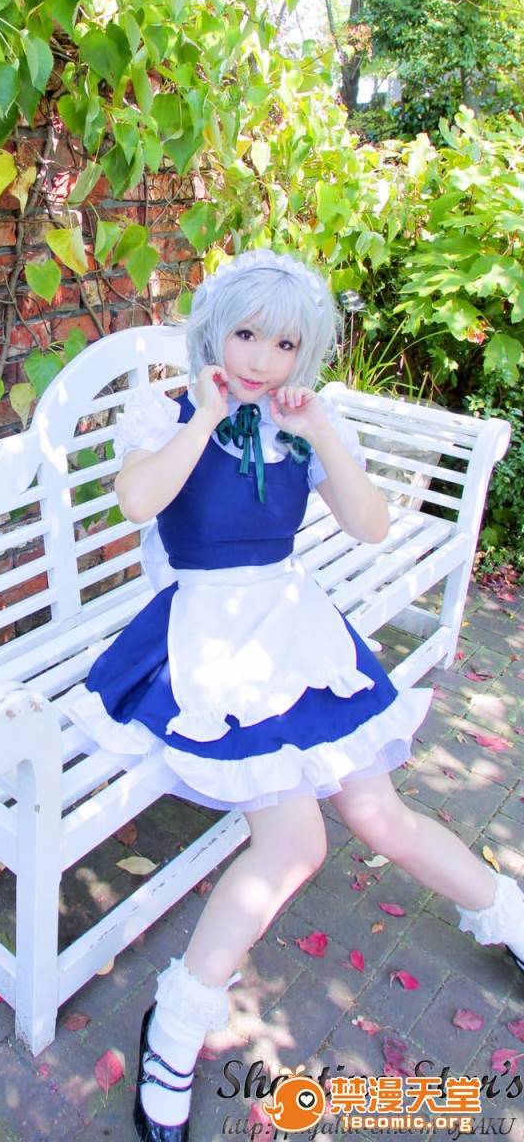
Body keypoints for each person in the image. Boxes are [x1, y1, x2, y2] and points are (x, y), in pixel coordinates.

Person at [60, 248, 524, 1142]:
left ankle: (510, 918)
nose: (262, 361)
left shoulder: (296, 422)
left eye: (284, 345)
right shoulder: (167, 410)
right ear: (213, 331)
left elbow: (371, 526)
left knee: (380, 815)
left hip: (293, 625)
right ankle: (175, 1028)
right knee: (296, 840)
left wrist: (324, 435)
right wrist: (204, 414)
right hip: (206, 636)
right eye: (246, 335)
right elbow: (136, 501)